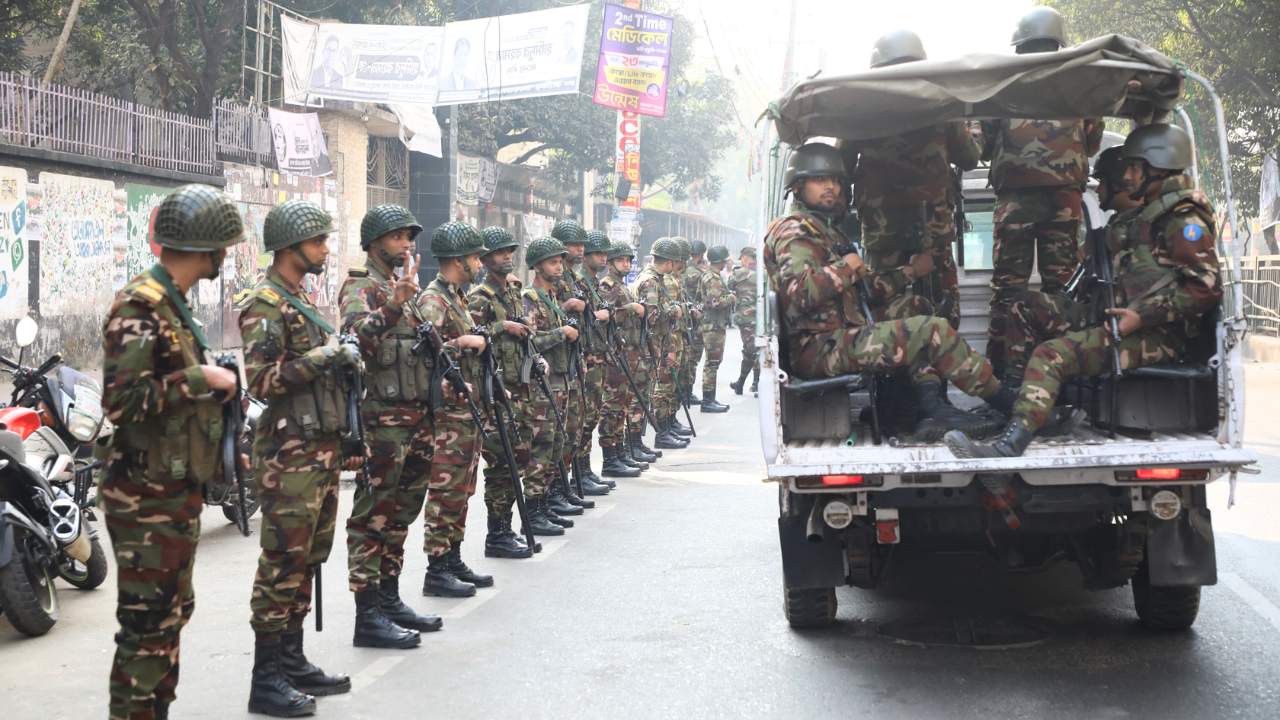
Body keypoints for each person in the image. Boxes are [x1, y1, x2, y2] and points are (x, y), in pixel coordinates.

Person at [947, 124, 1222, 458]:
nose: (1127, 176)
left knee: (1050, 354)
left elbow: (1206, 288)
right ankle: (1013, 405)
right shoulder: (1145, 215)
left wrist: (1142, 317)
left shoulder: (1184, 218)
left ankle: (1010, 445)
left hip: (1154, 336)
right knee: (1023, 304)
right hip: (1114, 319)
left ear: (1160, 167)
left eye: (1135, 167)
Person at [98, 185, 243, 720]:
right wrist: (199, 377)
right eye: (223, 245)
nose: (226, 254)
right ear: (205, 247)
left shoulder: (173, 305)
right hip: (143, 496)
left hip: (172, 489)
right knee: (147, 628)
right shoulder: (141, 305)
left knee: (171, 616)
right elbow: (121, 403)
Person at [763, 142, 1008, 442]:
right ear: (797, 187)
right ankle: (1007, 403)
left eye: (836, 180)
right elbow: (801, 292)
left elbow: (863, 290)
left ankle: (919, 408)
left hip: (836, 333)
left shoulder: (823, 229)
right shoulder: (793, 230)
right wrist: (848, 267)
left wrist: (910, 271)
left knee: (917, 306)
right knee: (932, 331)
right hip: (816, 348)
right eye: (819, 179)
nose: (831, 187)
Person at [241, 199, 357, 716]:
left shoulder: (299, 296)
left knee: (309, 558)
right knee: (282, 562)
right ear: (289, 247)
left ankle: (291, 660)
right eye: (318, 242)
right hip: (287, 457)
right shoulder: (265, 304)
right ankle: (265, 678)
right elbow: (262, 381)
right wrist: (324, 356)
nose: (326, 250)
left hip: (319, 449)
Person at [982, 6, 1105, 374]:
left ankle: (1002, 375)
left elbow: (984, 145)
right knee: (1061, 289)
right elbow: (1092, 142)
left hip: (1014, 203)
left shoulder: (1000, 82)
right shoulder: (1080, 83)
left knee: (1007, 290)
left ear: (1019, 45)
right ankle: (1057, 372)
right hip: (1064, 201)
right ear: (1058, 41)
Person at [338, 204, 439, 649]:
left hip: (416, 420)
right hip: (381, 423)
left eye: (409, 236)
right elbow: (353, 342)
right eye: (398, 236)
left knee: (400, 515)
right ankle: (367, 616)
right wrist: (394, 305)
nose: (407, 244)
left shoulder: (406, 289)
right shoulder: (361, 286)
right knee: (372, 518)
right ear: (375, 242)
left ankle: (389, 599)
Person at [842, 30, 980, 331]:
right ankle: (939, 356)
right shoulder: (943, 101)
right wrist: (975, 131)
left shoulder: (858, 109)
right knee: (943, 310)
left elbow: (842, 169)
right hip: (934, 227)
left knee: (882, 307)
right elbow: (970, 158)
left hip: (881, 231)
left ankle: (894, 358)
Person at [468, 226, 562, 548]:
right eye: (499, 252)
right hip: (497, 393)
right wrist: (501, 326)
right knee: (500, 464)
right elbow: (470, 338)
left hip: (520, 392)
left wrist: (536, 358)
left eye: (509, 251)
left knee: (517, 461)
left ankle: (508, 529)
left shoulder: (510, 292)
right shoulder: (480, 297)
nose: (507, 256)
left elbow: (524, 336)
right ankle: (497, 533)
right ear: (485, 259)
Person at [414, 222, 493, 597]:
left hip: (467, 411)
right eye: (476, 257)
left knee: (463, 489)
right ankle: (436, 569)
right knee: (445, 490)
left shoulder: (457, 298)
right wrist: (461, 342)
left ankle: (453, 557)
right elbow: (423, 356)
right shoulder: (433, 301)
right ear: (459, 260)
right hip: (447, 416)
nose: (480, 264)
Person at [521, 237, 584, 531]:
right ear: (537, 266)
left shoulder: (552, 297)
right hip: (542, 386)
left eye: (560, 262)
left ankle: (544, 505)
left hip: (561, 382)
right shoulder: (530, 298)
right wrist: (562, 333)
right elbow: (529, 341)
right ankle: (532, 514)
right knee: (542, 448)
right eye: (552, 262)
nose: (559, 267)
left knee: (556, 446)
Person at [550, 220, 614, 496]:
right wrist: (569, 306)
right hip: (566, 360)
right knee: (569, 425)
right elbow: (547, 316)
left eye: (581, 244)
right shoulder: (555, 280)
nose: (580, 249)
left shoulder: (574, 279)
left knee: (585, 418)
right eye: (574, 244)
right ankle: (565, 483)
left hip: (585, 355)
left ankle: (581, 472)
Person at [598, 240, 661, 466]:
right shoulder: (607, 286)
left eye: (627, 260)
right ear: (610, 263)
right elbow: (603, 316)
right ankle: (610, 459)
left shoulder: (623, 286)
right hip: (616, 354)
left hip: (630, 352)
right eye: (620, 260)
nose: (625, 264)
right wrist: (631, 309)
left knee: (623, 405)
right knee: (613, 405)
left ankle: (620, 453)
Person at [634, 238, 689, 449]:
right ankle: (653, 436)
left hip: (656, 343)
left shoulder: (653, 278)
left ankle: (650, 437)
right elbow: (652, 315)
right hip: (650, 343)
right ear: (669, 262)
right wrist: (673, 311)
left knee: (649, 392)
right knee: (649, 393)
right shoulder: (651, 281)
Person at [697, 244, 736, 412]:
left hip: (714, 324)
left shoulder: (711, 275)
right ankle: (707, 401)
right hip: (713, 326)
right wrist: (731, 298)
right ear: (721, 261)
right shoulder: (712, 278)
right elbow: (715, 302)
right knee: (712, 363)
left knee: (713, 362)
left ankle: (710, 399)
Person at [681, 239, 708, 405]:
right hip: (695, 320)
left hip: (681, 319)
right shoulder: (699, 274)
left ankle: (681, 392)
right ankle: (687, 392)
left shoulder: (679, 271)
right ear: (700, 255)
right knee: (693, 358)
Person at [728, 247, 759, 395]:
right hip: (762, 319)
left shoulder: (738, 273)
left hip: (746, 319)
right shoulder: (765, 273)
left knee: (754, 351)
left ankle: (758, 383)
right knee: (749, 351)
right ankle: (741, 383)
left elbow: (729, 285)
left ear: (745, 258)